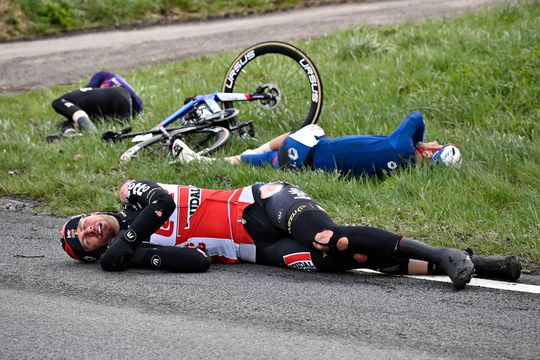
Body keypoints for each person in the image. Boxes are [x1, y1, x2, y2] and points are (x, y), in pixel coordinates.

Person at [60, 179, 522, 290]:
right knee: (341, 260)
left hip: (263, 204)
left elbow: (162, 201)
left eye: (84, 224)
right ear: (93, 254)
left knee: (331, 239)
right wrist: (133, 255)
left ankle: (442, 253)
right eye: (89, 242)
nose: (91, 230)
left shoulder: (131, 196)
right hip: (258, 248)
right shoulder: (142, 250)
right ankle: (473, 263)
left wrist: (122, 246)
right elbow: (197, 262)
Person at [171, 112, 462, 177]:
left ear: (429, 152)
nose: (436, 141)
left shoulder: (402, 147)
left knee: (310, 129)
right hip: (314, 164)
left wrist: (422, 141)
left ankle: (248, 152)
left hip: (312, 151)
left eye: (438, 145)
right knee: (259, 163)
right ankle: (205, 162)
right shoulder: (402, 165)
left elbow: (416, 116)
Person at [51, 71, 144, 136]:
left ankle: (89, 129)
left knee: (57, 102)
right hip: (129, 107)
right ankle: (71, 129)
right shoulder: (116, 80)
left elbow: (88, 89)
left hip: (116, 95)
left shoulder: (102, 75)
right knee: (97, 119)